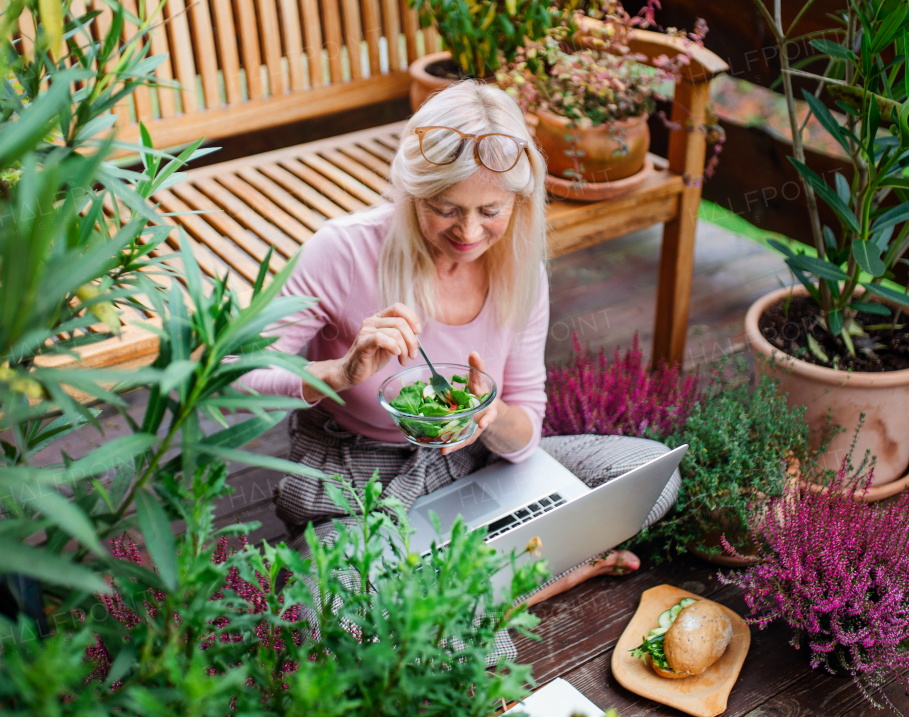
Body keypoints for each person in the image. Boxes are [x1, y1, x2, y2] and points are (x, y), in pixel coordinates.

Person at [240, 81, 680, 613]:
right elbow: (238, 373)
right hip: (358, 485)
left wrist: (489, 416)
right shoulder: (342, 251)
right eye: (445, 209)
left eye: (490, 210)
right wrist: (338, 372)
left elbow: (525, 436)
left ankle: (450, 593)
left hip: (473, 468)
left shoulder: (521, 271)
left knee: (652, 475)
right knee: (323, 615)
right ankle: (515, 589)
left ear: (517, 200)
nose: (469, 232)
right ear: (410, 191)